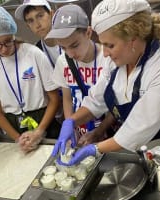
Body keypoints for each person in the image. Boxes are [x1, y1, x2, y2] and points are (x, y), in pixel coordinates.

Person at [52, 0, 160, 165]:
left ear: (134, 38)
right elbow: (96, 99)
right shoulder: (116, 63)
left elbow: (138, 128)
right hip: (130, 148)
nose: (105, 53)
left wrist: (94, 149)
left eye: (110, 45)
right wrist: (71, 121)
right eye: (103, 44)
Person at [0, 4, 61, 153]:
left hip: (44, 121)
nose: (4, 48)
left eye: (8, 41)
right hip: (13, 125)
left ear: (13, 34)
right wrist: (17, 138)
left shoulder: (34, 54)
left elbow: (54, 99)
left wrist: (39, 131)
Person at [46, 4, 116, 146]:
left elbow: (117, 105)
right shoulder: (63, 61)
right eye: (63, 48)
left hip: (109, 131)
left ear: (88, 33)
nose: (70, 54)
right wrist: (70, 126)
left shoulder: (109, 58)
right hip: (81, 129)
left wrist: (99, 131)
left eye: (74, 45)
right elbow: (67, 98)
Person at [15, 0, 61, 68]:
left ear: (52, 14)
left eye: (40, 16)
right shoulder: (36, 51)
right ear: (28, 26)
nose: (37, 25)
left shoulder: (71, 41)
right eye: (31, 21)